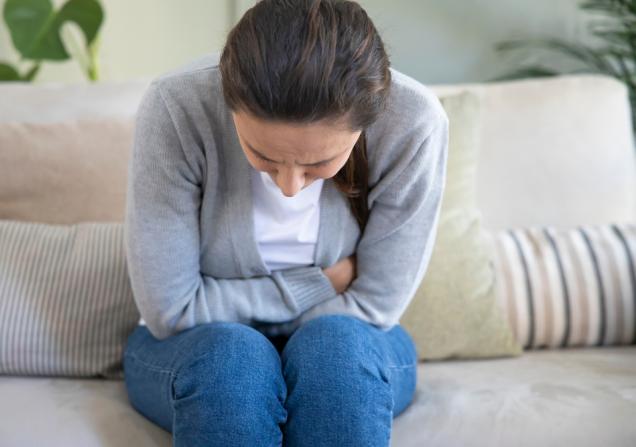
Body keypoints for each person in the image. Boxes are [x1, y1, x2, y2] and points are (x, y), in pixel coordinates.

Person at [122, 0, 449, 445]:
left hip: (348, 345)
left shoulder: (414, 123)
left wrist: (294, 354)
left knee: (333, 354)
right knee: (235, 364)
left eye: (318, 163)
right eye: (263, 157)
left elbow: (376, 305)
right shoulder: (177, 107)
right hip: (196, 349)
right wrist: (316, 283)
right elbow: (171, 310)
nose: (290, 187)